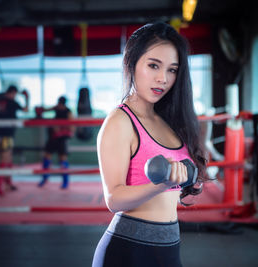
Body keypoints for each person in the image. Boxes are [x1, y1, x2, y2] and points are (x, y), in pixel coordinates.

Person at [92, 22, 209, 266]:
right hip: (128, 249)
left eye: (172, 70)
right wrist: (162, 184)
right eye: (153, 65)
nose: (162, 78)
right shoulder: (120, 121)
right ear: (132, 63)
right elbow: (113, 199)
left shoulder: (168, 120)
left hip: (169, 246)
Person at [0, 85, 29, 195]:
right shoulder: (11, 102)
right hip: (6, 135)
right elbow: (26, 110)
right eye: (15, 94)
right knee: (5, 160)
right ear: (13, 92)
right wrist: (27, 98)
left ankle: (7, 183)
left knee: (8, 159)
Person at [38, 96, 74, 189]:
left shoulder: (68, 112)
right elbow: (45, 110)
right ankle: (45, 178)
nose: (59, 106)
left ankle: (65, 182)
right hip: (53, 137)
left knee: (62, 159)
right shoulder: (56, 108)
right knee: (47, 156)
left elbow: (72, 126)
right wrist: (40, 110)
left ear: (63, 104)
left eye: (60, 104)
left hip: (62, 138)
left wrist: (62, 129)